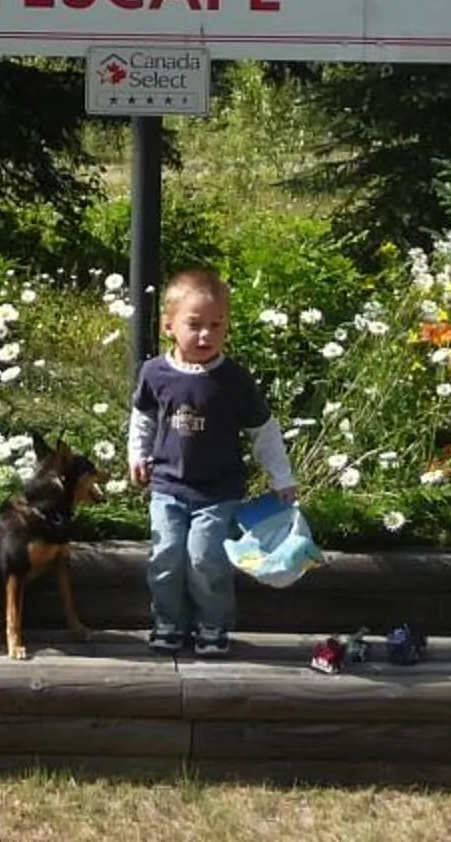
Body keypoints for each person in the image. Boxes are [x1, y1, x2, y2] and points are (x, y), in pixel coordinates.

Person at [126, 265, 297, 656]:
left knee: (205, 558)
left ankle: (212, 625)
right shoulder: (155, 373)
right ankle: (168, 622)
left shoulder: (233, 379)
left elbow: (263, 430)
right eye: (195, 324)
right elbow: (143, 417)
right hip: (168, 486)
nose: (206, 334)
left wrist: (282, 477)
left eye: (216, 325)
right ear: (169, 325)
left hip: (218, 492)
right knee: (165, 556)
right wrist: (138, 454)